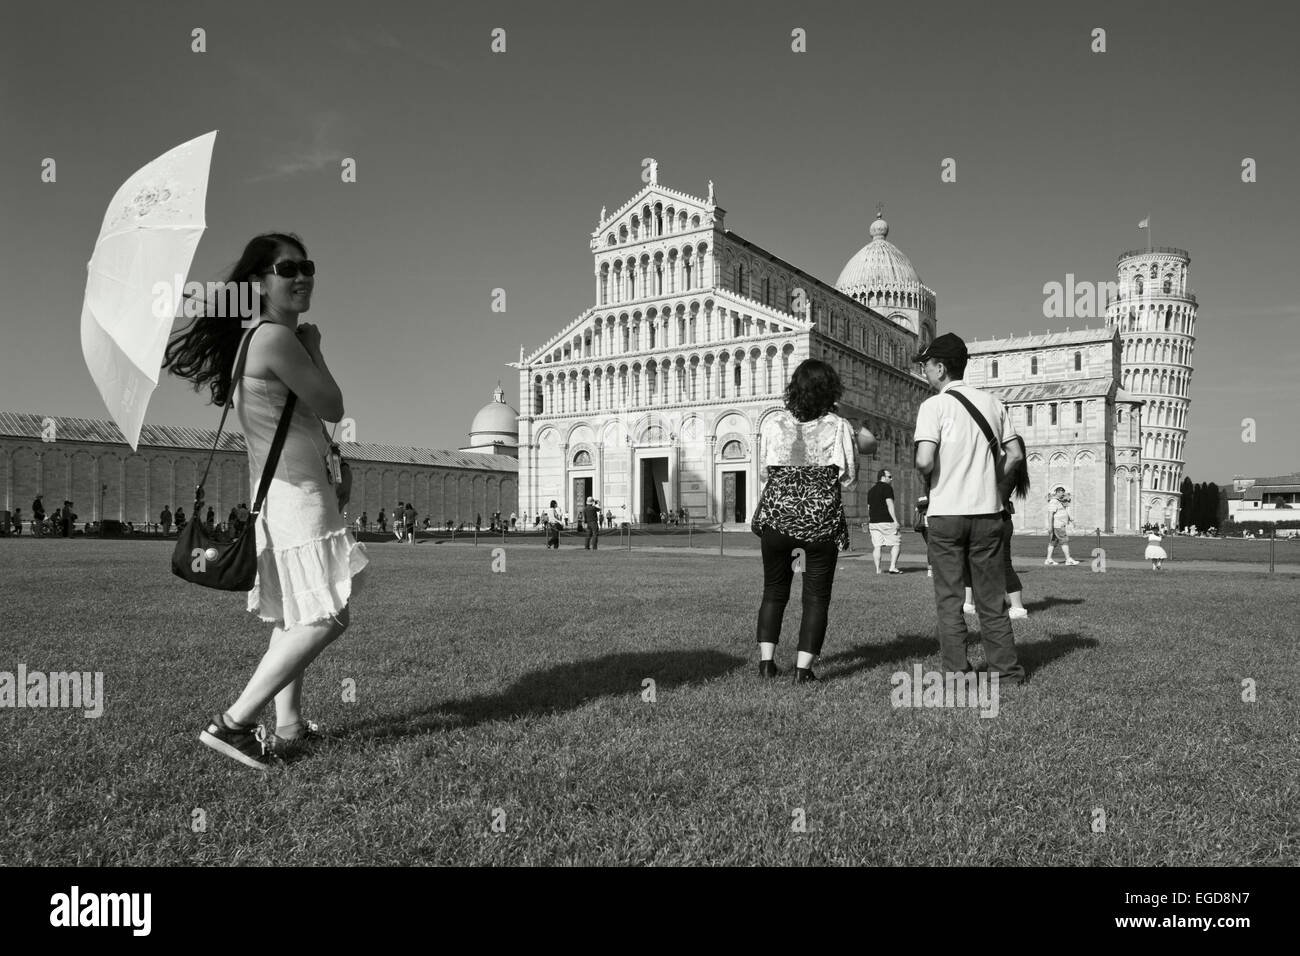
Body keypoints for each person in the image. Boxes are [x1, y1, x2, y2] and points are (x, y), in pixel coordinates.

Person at [164, 231, 367, 770]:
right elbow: (331, 403)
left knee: (297, 610)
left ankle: (289, 723)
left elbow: (293, 419)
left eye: (308, 266)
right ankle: (233, 723)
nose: (302, 277)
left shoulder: (255, 340)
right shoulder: (275, 340)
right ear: (259, 281)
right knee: (330, 612)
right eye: (287, 268)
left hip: (283, 490)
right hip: (295, 495)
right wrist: (315, 348)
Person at [912, 332, 1026, 685]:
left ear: (941, 367)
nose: (925, 373)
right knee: (991, 598)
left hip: (946, 514)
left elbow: (925, 460)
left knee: (950, 598)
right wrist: (991, 483)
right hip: (988, 513)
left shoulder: (934, 406)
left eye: (926, 366)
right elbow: (1017, 454)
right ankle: (1005, 671)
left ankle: (958, 674)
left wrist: (929, 472)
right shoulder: (993, 403)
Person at [753, 358, 868, 684]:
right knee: (815, 598)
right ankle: (803, 670)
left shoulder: (775, 424)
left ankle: (767, 663)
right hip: (819, 524)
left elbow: (765, 470)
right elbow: (849, 478)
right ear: (830, 390)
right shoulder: (837, 426)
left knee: (774, 592)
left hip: (777, 521)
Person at [962, 445, 1031, 620]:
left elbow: (997, 494)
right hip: (996, 519)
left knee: (1002, 564)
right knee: (971, 560)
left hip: (996, 520)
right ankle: (969, 603)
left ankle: (1018, 608)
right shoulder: (1009, 468)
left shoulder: (1010, 469)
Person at [867, 469, 902, 574]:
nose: (891, 479)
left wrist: (870, 521)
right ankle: (892, 567)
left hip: (873, 522)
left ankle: (878, 569)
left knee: (877, 546)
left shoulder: (871, 490)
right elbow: (890, 504)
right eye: (889, 477)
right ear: (883, 477)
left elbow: (869, 508)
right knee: (896, 543)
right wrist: (895, 521)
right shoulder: (887, 488)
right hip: (886, 521)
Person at [1045, 489, 1079, 565]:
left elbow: (1065, 512)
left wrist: (1072, 521)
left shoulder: (1060, 501)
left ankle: (1048, 559)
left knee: (1053, 542)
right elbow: (1050, 514)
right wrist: (1050, 526)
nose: (1063, 495)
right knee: (1064, 540)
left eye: (1064, 493)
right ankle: (1068, 559)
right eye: (1062, 493)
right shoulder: (1054, 501)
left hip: (1059, 524)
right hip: (1058, 525)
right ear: (1057, 492)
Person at [913, 495, 931, 577]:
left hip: (930, 525)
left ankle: (932, 569)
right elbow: (918, 508)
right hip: (927, 526)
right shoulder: (923, 499)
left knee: (932, 548)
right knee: (931, 548)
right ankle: (931, 570)